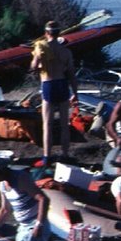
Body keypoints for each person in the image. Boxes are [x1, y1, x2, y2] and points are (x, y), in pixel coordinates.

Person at [30, 20, 78, 166]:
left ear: (46, 33)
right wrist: (75, 92)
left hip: (48, 84)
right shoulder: (66, 51)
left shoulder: (41, 47)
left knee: (47, 124)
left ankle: (47, 157)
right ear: (58, 34)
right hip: (62, 84)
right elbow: (71, 74)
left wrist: (37, 63)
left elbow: (32, 67)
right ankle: (64, 155)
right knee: (65, 124)